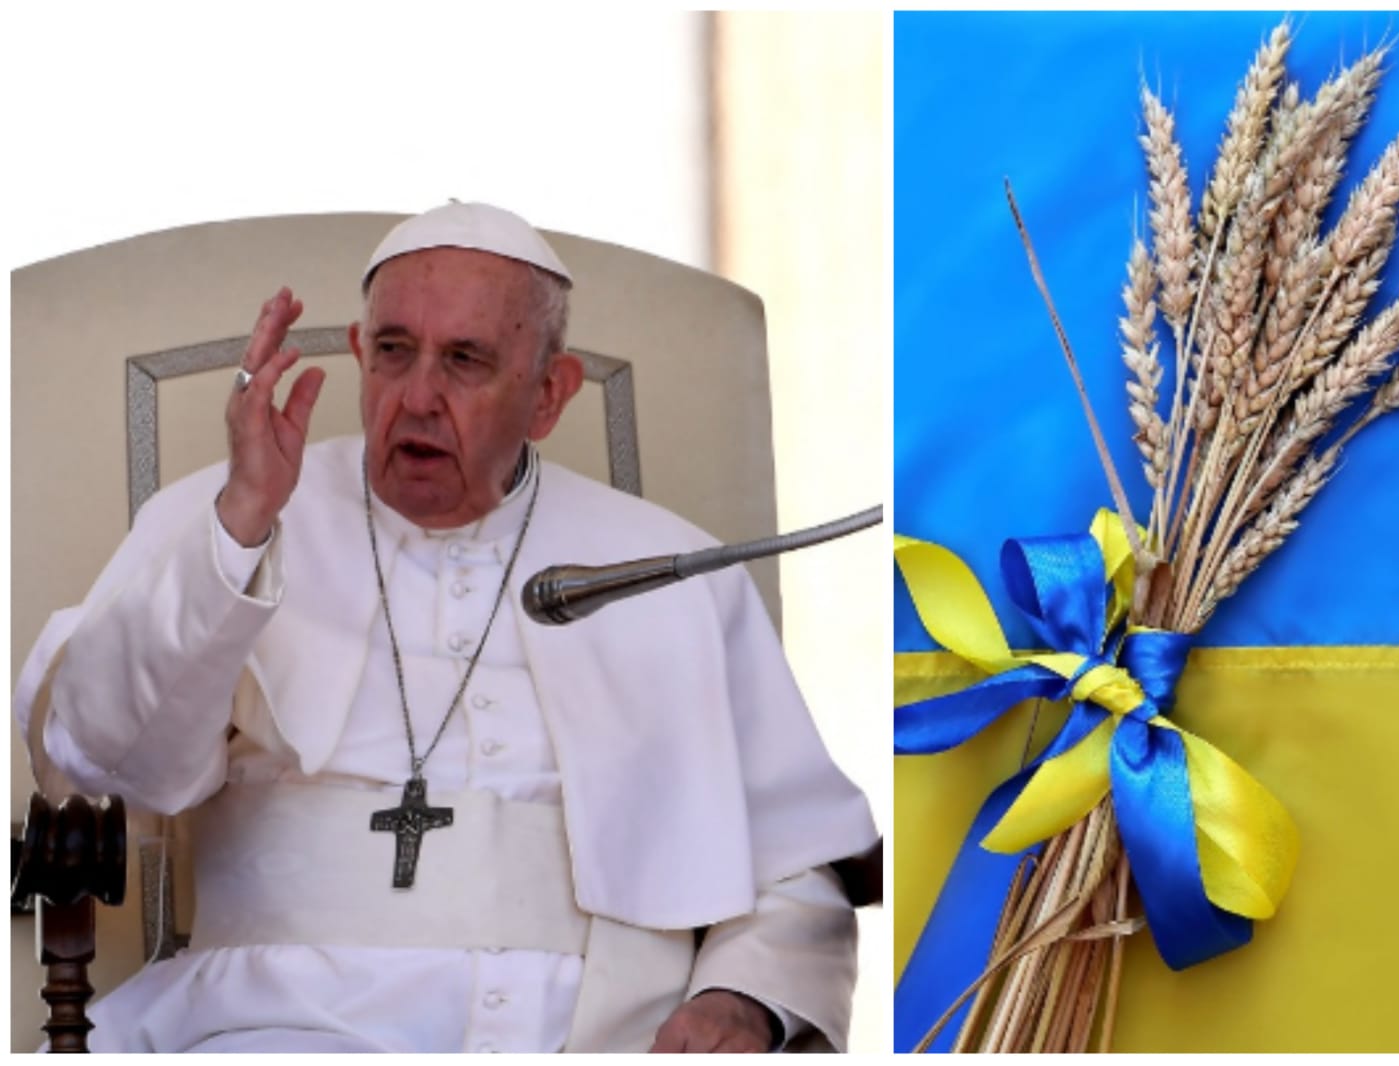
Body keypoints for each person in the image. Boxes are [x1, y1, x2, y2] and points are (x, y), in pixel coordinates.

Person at [15, 202, 880, 1052]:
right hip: (282, 1022)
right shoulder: (227, 514)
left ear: (549, 394)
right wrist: (241, 526)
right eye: (394, 351)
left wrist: (742, 998)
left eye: (465, 360)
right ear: (359, 353)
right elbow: (102, 758)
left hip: (606, 1031)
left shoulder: (672, 570)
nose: (419, 396)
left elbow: (799, 854)